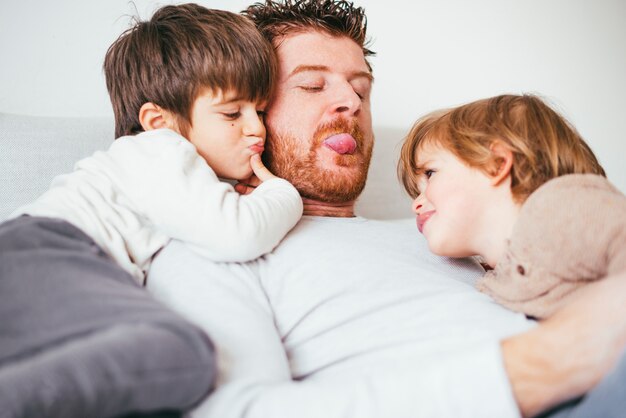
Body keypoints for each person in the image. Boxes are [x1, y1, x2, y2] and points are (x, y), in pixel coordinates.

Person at [147, 1, 626, 417]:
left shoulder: (444, 228)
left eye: (361, 88)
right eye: (312, 86)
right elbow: (242, 411)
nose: (349, 102)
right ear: (247, 111)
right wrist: (551, 361)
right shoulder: (215, 250)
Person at [0, 4, 301, 417]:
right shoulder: (161, 149)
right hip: (47, 251)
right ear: (158, 122)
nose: (257, 128)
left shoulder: (164, 176)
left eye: (261, 111)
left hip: (32, 261)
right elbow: (236, 233)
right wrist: (284, 192)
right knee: (178, 352)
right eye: (233, 113)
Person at [398, 93, 625, 320]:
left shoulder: (563, 209)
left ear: (497, 164)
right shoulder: (493, 283)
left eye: (430, 174)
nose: (416, 204)